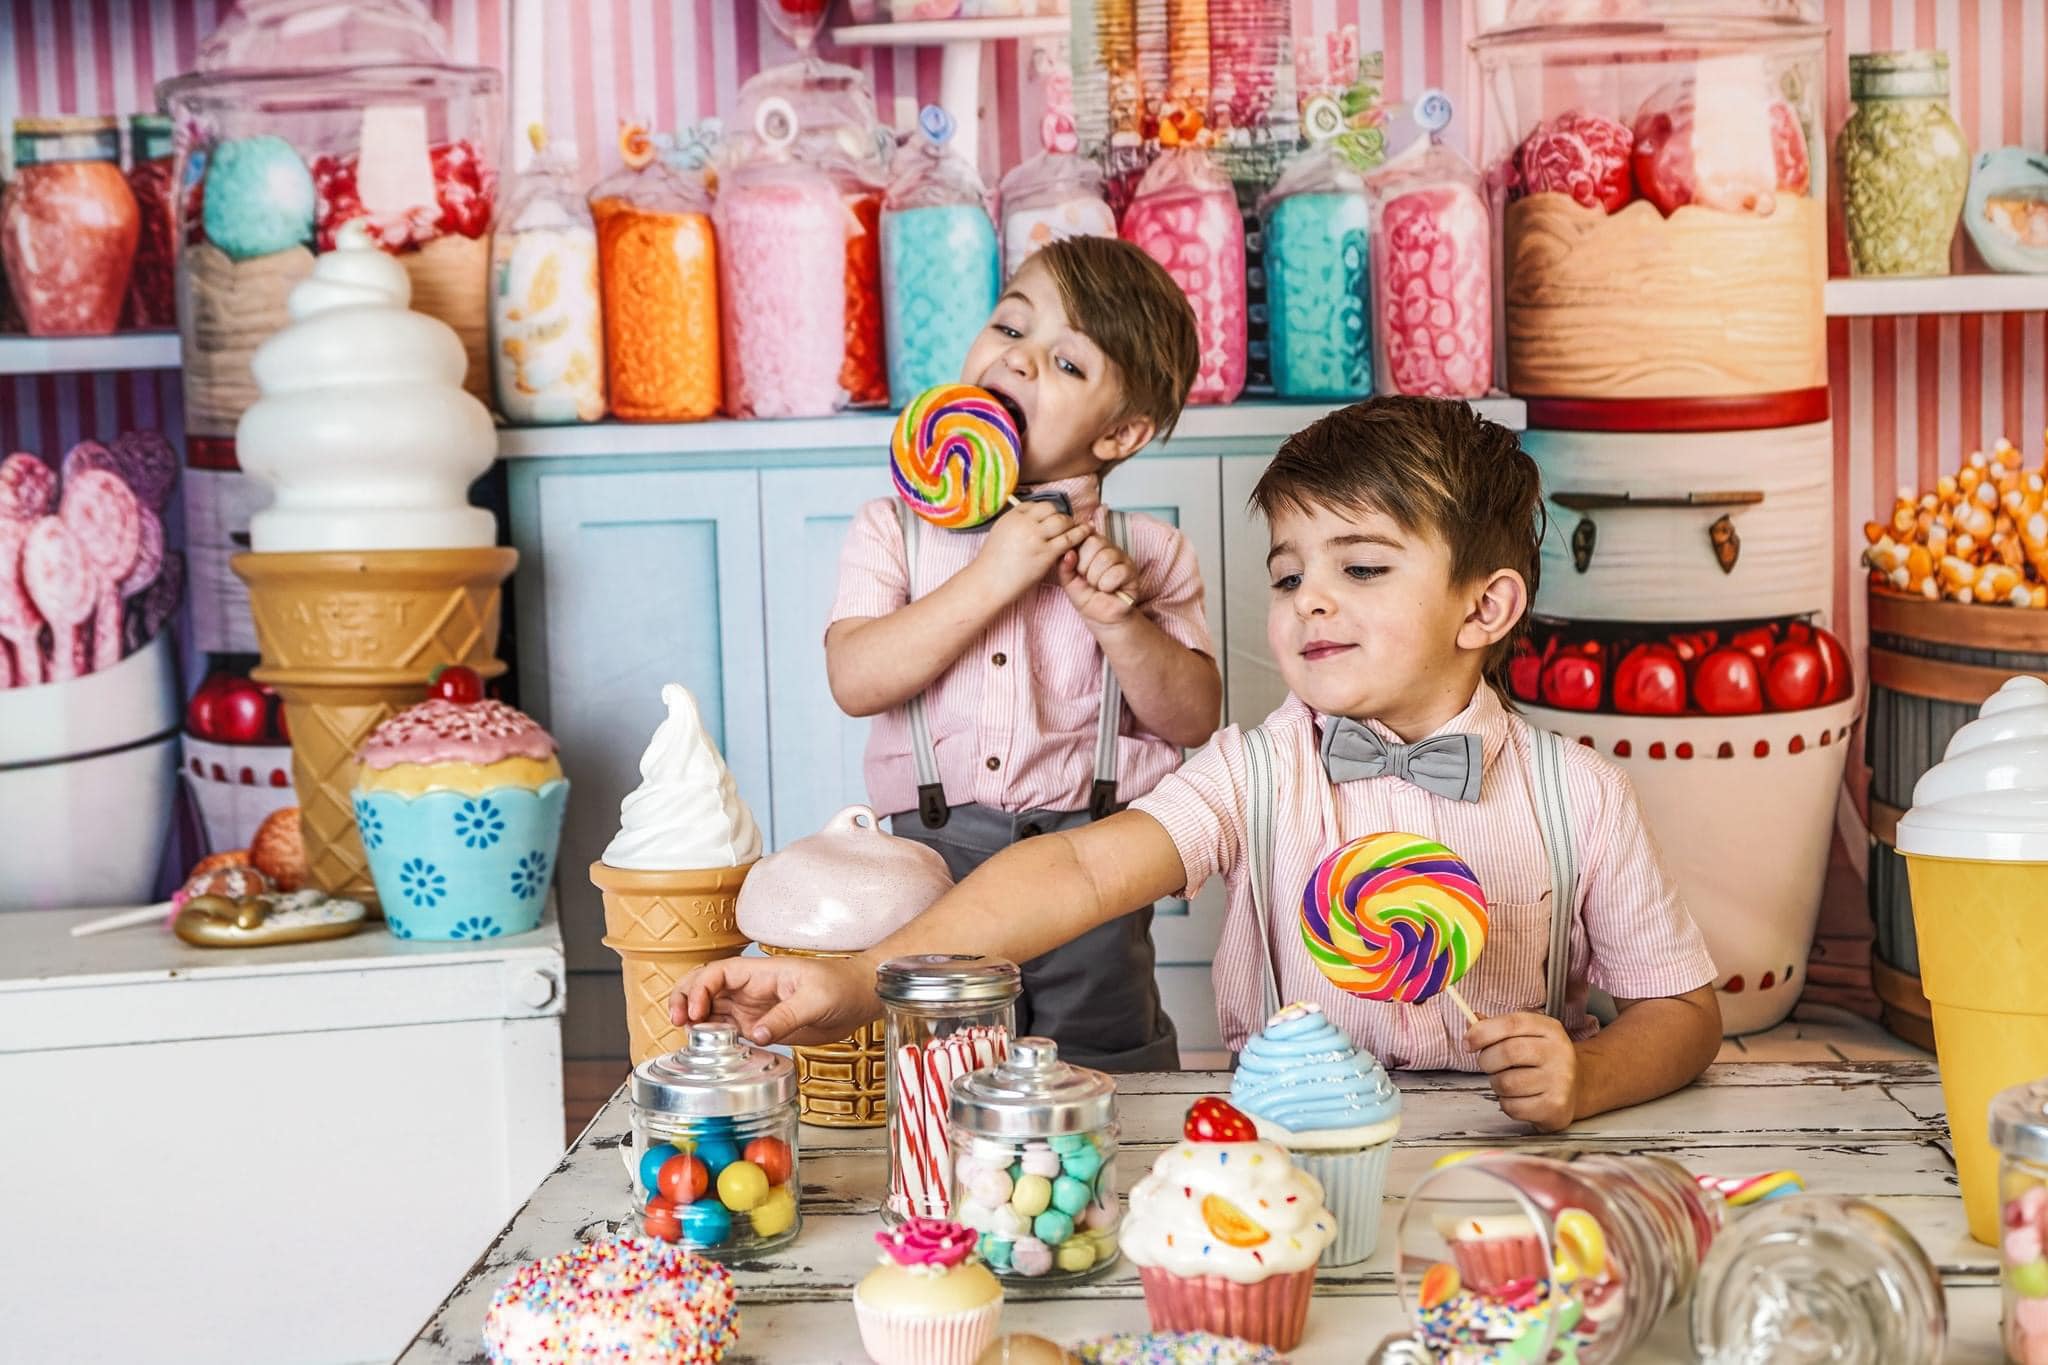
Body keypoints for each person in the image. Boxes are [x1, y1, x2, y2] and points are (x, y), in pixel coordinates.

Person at [685, 397, 1722, 1131]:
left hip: (1503, 1166)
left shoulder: (1578, 796)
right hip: (1274, 1160)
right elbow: (1078, 871)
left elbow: (1679, 1012)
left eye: (1359, 566)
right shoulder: (1255, 770)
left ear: (1483, 606)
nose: (1308, 599)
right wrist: (864, 982)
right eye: (1285, 574)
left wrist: (1582, 1075)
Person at [822, 236, 1221, 1071]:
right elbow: (855, 678)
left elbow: (1195, 715)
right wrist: (994, 574)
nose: (1022, 359)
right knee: (942, 1073)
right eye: (1010, 326)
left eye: (1068, 364)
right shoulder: (890, 528)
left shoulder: (1151, 552)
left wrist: (1122, 623)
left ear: (1123, 431)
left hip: (1101, 861)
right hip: (932, 856)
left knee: (1103, 1071)